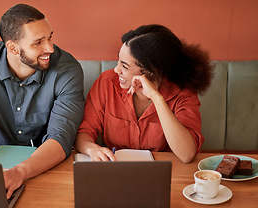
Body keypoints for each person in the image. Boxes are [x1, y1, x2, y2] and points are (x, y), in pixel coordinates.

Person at [0, 4, 84, 198]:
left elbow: (60, 137)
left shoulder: (67, 70)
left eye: (50, 37)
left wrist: (20, 172)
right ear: (12, 47)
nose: (50, 48)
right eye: (38, 42)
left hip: (49, 164)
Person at [75, 24, 213, 164]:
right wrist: (92, 149)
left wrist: (156, 97)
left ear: (152, 72)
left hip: (163, 173)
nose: (116, 70)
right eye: (119, 61)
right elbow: (84, 132)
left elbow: (187, 154)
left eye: (125, 66)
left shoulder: (183, 93)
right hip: (115, 168)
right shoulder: (107, 82)